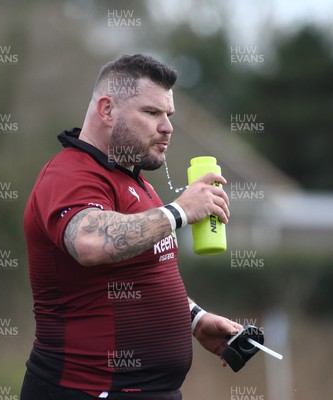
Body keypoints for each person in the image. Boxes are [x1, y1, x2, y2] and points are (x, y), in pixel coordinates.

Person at [22, 54, 243, 400]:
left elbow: (140, 275)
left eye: (168, 115)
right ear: (107, 110)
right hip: (86, 390)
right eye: (152, 113)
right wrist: (180, 211)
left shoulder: (136, 181)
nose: (167, 127)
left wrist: (195, 319)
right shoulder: (70, 173)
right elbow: (91, 243)